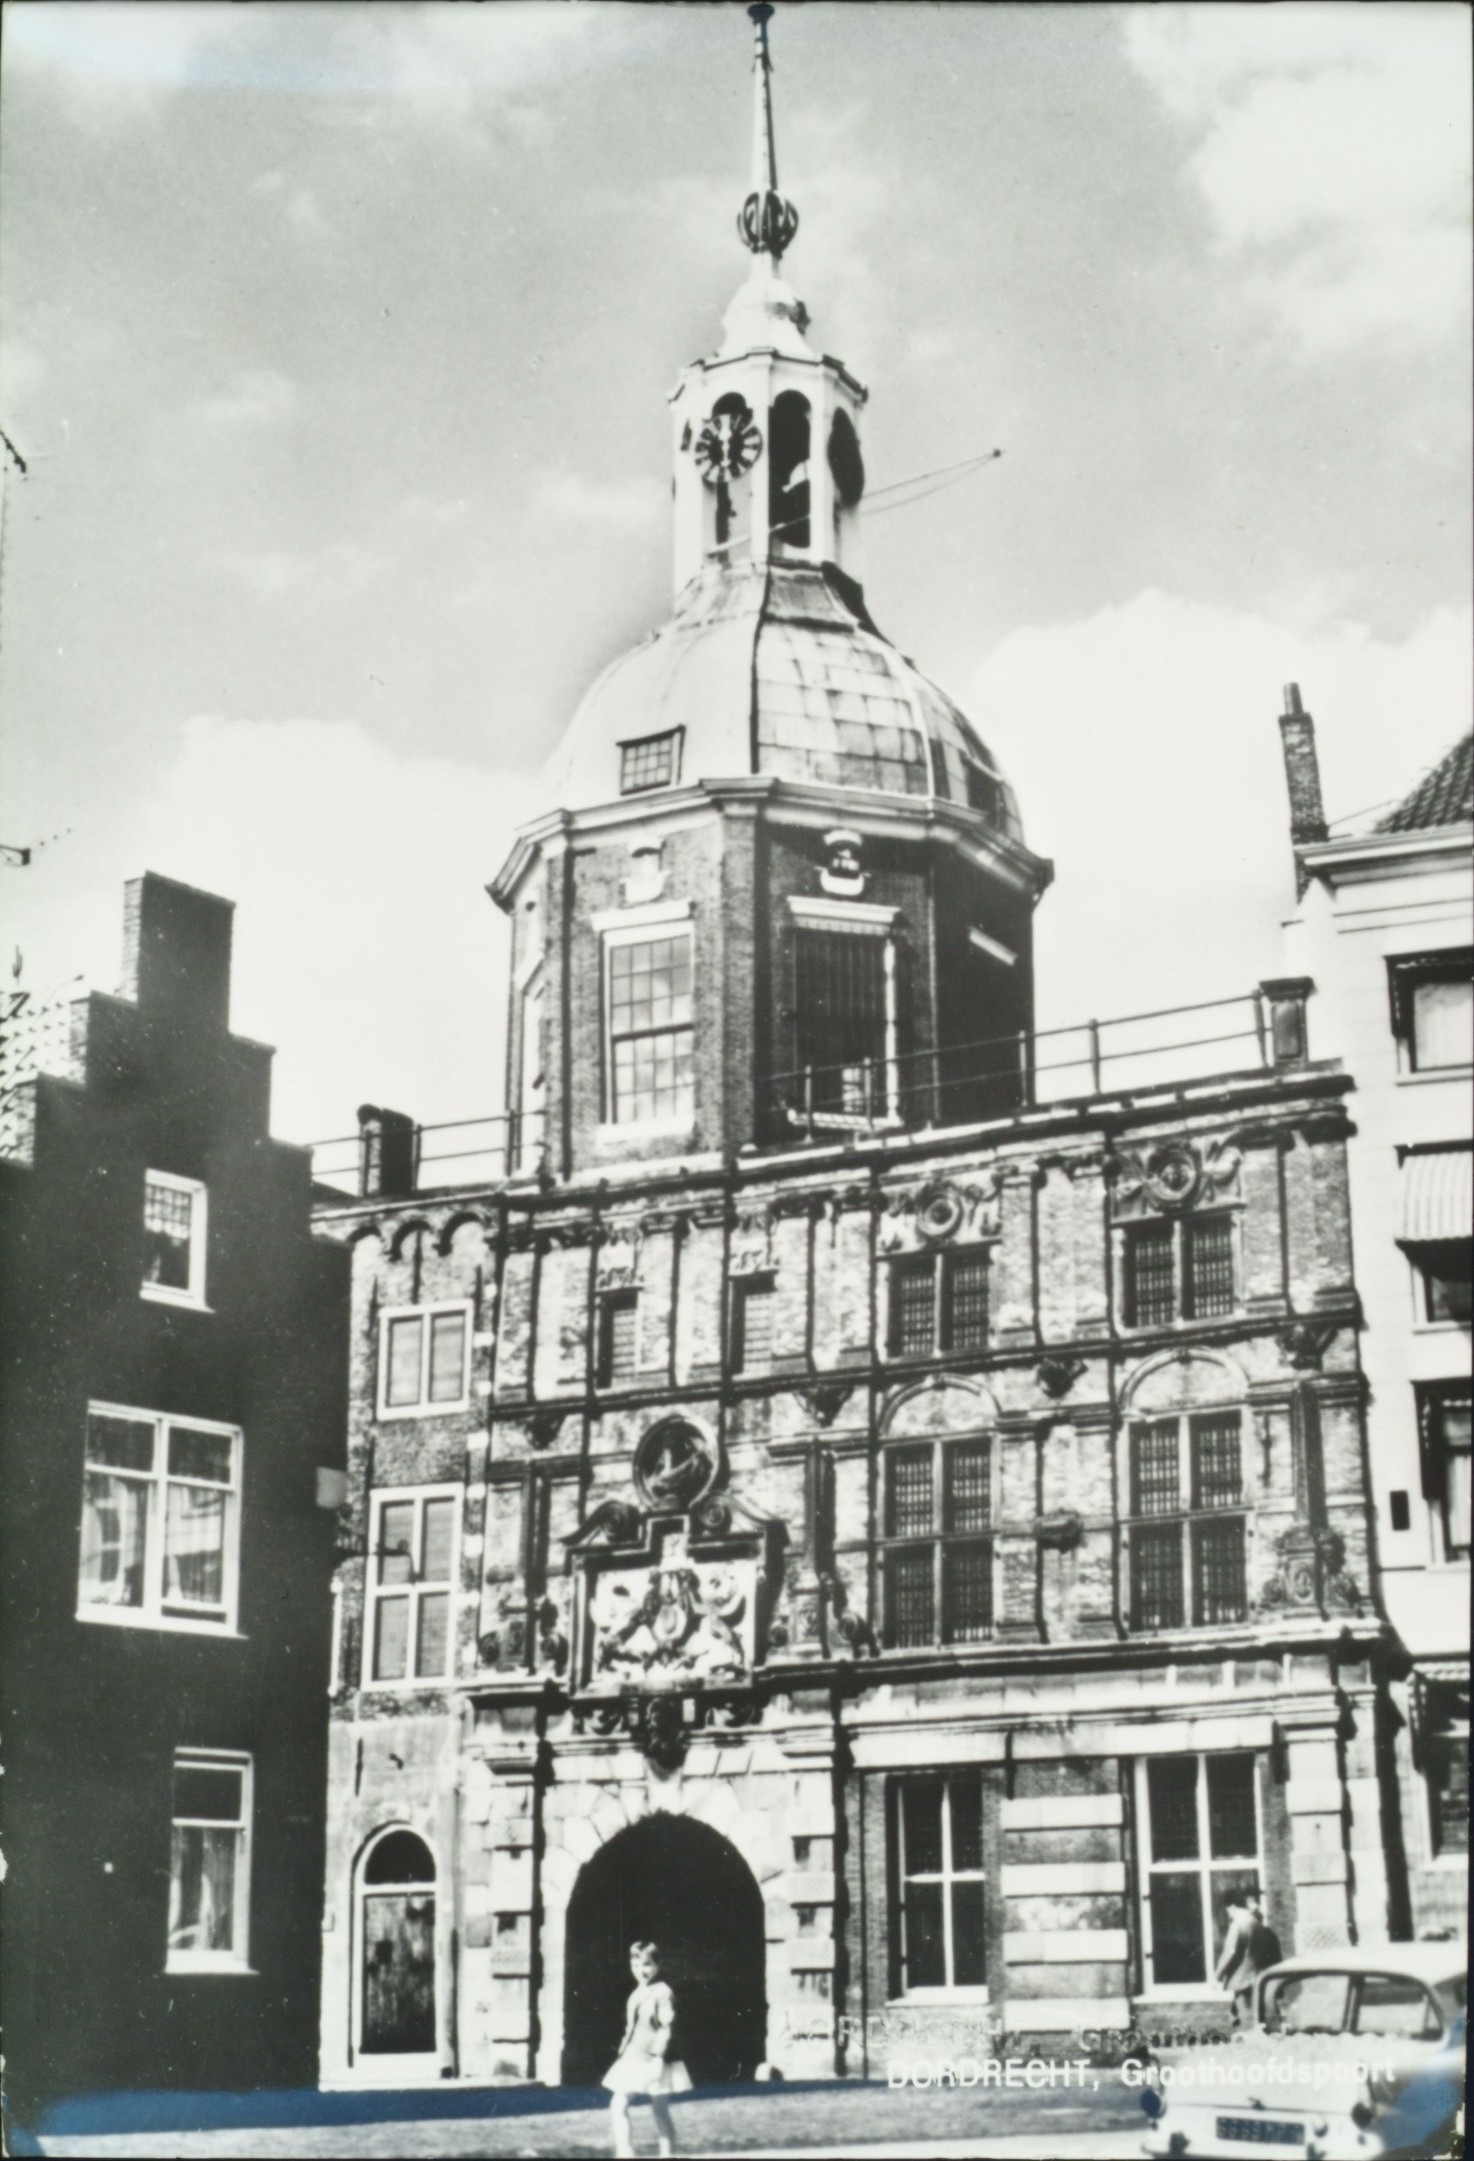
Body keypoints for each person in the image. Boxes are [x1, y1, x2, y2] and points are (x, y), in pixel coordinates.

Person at [604, 1940, 691, 2159]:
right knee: (618, 2103)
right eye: (635, 1965)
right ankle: (625, 2152)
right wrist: (623, 2051)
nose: (641, 1971)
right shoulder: (637, 1993)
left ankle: (667, 2154)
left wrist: (658, 2057)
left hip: (655, 2057)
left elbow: (666, 2026)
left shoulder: (663, 1992)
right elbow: (631, 2027)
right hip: (634, 2055)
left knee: (659, 2109)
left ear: (657, 1965)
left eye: (647, 1964)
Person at [1216, 1893, 1283, 2028]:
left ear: (1232, 1907)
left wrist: (1218, 1975)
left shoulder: (1238, 1924)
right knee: (1262, 2018)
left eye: (1228, 1911)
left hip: (1242, 1981)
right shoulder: (1258, 1925)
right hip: (1258, 1978)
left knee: (1246, 2019)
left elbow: (1230, 1951)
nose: (1228, 1915)